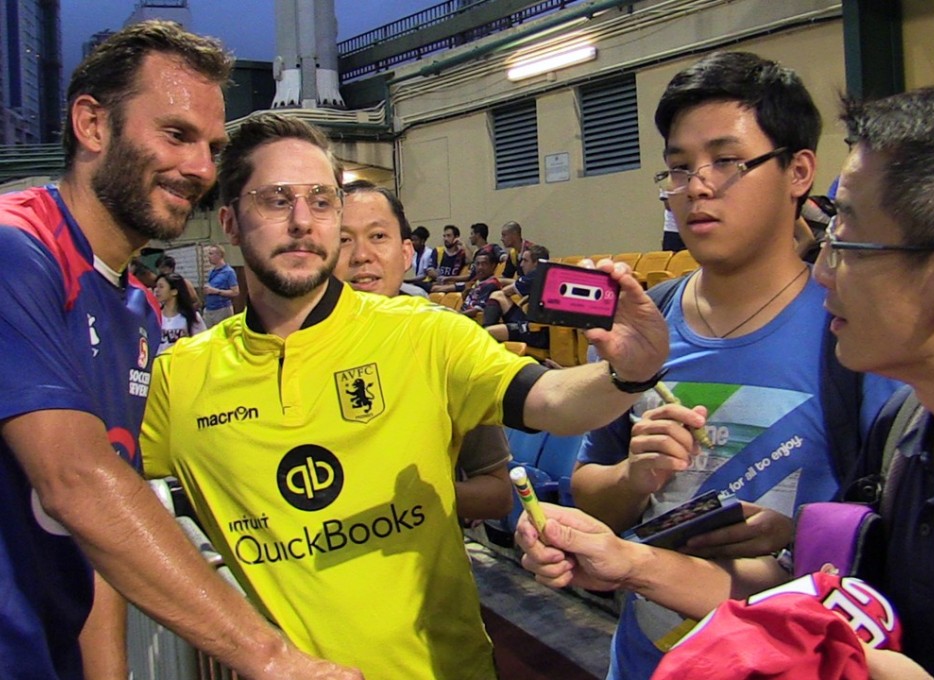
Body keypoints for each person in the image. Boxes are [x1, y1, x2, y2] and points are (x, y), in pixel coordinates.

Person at [519, 76, 934, 680]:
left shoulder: (878, 384)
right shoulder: (909, 435)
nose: (826, 271)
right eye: (680, 167)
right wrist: (630, 561)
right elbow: (830, 605)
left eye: (849, 243)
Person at [140, 112, 669, 680]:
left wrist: (628, 373)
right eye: (275, 200)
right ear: (229, 221)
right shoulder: (180, 377)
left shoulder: (425, 334)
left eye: (321, 201)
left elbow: (552, 399)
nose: (302, 221)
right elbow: (109, 512)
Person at [0, 20, 360, 680]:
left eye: (211, 146)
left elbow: (103, 529)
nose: (201, 169)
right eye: (175, 134)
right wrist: (272, 658)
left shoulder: (135, 309)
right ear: (92, 124)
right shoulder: (15, 250)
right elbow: (76, 481)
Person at [568, 51, 897, 679]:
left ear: (799, 171)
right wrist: (634, 478)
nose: (697, 187)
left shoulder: (856, 334)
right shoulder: (642, 328)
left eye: (727, 161)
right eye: (679, 168)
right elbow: (591, 494)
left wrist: (794, 536)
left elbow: (894, 540)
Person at [336, 179, 513, 521]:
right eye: (343, 240)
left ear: (406, 254)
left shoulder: (444, 340)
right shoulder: (292, 347)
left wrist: (401, 497)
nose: (361, 255)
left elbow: (496, 495)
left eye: (378, 236)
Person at [484, 244, 551, 350]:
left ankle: (486, 334)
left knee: (489, 331)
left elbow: (507, 291)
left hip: (536, 332)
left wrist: (503, 281)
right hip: (535, 326)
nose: (521, 265)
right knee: (498, 296)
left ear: (537, 263)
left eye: (525, 261)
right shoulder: (547, 275)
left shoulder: (536, 275)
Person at [154, 272, 207, 354]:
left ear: (174, 291)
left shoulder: (191, 316)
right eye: (156, 286)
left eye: (161, 287)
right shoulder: (154, 316)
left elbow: (202, 342)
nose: (156, 290)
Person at [202, 243, 239, 326]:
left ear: (219, 255)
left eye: (211, 254)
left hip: (222, 309)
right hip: (209, 309)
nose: (208, 256)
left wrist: (216, 291)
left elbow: (235, 292)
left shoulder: (229, 272)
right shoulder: (212, 271)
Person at [425, 224, 468, 290]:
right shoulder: (438, 250)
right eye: (444, 236)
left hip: (453, 286)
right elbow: (430, 270)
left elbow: (471, 261)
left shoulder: (462, 253)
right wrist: (441, 279)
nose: (445, 239)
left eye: (448, 236)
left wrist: (464, 246)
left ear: (456, 237)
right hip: (438, 283)